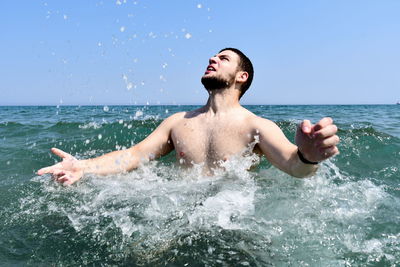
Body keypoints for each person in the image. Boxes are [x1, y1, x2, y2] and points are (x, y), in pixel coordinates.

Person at [38, 48, 340, 185]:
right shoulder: (177, 122)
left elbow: (294, 167)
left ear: (241, 76)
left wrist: (309, 156)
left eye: (223, 59)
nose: (212, 59)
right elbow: (133, 156)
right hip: (181, 209)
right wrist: (83, 167)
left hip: (231, 216)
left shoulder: (256, 126)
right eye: (213, 56)